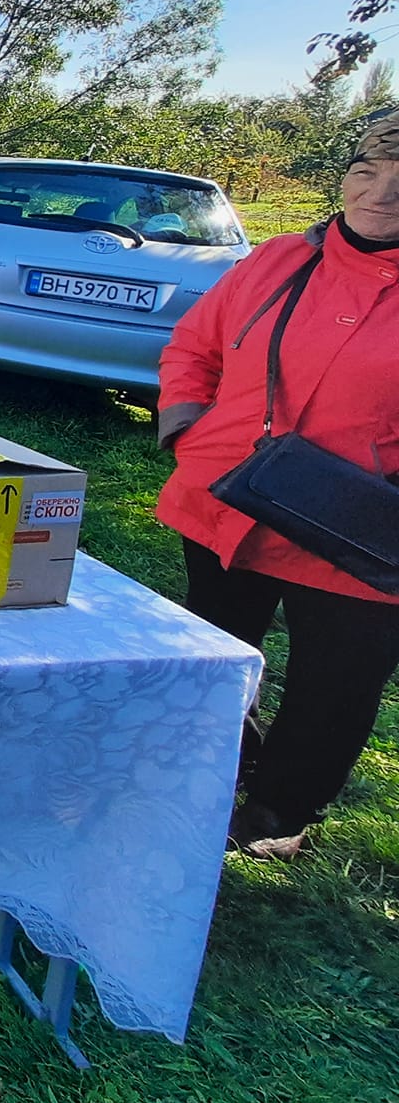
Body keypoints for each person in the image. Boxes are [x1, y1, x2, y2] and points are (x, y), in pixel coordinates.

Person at [156, 113, 399, 859]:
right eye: (368, 169)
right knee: (216, 647)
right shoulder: (277, 261)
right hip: (228, 499)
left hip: (357, 530)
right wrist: (191, 434)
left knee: (337, 679)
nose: (381, 193)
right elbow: (192, 347)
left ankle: (277, 813)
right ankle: (213, 761)